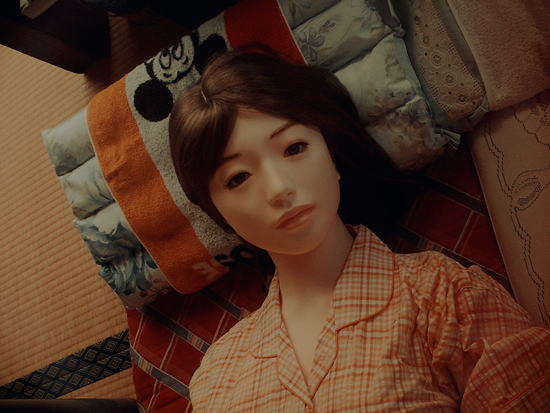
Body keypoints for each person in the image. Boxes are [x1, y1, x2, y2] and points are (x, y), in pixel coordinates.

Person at [169, 45, 550, 412]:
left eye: (294, 148)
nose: (279, 188)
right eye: (237, 178)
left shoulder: (446, 297)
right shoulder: (216, 377)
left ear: (331, 155)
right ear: (219, 214)